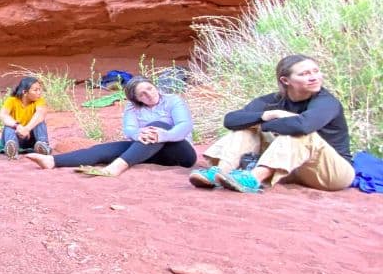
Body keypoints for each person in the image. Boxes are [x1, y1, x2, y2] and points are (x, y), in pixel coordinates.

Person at [188, 54, 355, 193]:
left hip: (333, 173)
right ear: (285, 80)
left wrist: (263, 125)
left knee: (300, 134)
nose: (313, 77)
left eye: (316, 71)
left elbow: (303, 125)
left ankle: (253, 179)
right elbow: (230, 120)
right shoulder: (273, 101)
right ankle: (220, 173)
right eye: (304, 74)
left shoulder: (326, 102)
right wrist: (269, 114)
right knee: (245, 129)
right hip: (293, 169)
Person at [25, 77, 196, 176]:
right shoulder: (132, 107)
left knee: (157, 125)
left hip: (180, 152)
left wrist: (162, 135)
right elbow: (129, 129)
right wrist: (138, 134)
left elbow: (184, 126)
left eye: (150, 89)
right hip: (148, 149)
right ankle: (53, 161)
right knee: (107, 149)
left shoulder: (173, 100)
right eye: (142, 94)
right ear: (136, 99)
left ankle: (117, 167)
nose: (149, 94)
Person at [0, 77, 51, 159]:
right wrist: (18, 126)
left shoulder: (39, 101)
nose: (39, 92)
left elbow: (41, 113)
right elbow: (3, 115)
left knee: (40, 122)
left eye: (40, 89)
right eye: (35, 90)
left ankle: (43, 145)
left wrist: (27, 129)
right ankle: (12, 149)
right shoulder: (12, 100)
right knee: (9, 125)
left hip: (32, 138)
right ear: (25, 92)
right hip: (17, 136)